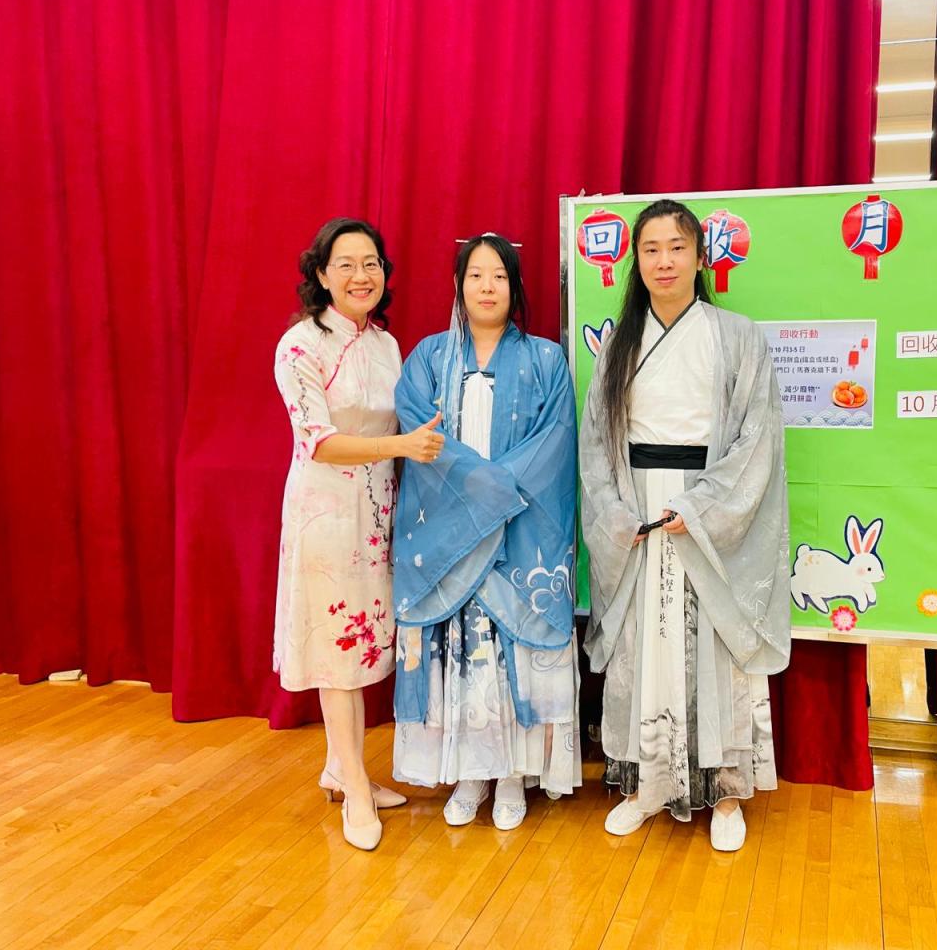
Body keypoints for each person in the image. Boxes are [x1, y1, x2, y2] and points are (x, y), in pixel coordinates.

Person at [579, 199, 790, 852]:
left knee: (717, 650)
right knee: (645, 647)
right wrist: (618, 513)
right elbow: (596, 442)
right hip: (639, 512)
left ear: (701, 257)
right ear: (635, 262)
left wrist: (701, 509)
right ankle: (647, 785)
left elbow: (757, 438)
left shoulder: (738, 336)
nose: (664, 261)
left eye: (677, 247)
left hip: (708, 509)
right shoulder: (620, 345)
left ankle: (726, 793)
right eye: (651, 249)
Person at [392, 232, 580, 830]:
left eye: (499, 275)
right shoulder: (428, 358)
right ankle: (469, 774)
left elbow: (555, 443)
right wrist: (478, 492)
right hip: (448, 531)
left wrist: (491, 495)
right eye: (475, 275)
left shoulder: (546, 360)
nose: (487, 287)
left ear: (515, 286)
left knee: (510, 653)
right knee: (462, 654)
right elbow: (418, 433)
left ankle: (513, 775)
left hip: (519, 531)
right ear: (459, 285)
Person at [273, 217, 444, 851]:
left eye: (370, 263)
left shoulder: (386, 345)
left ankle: (337, 767)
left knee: (365, 647)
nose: (360, 275)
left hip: (377, 513)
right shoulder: (299, 346)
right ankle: (355, 789)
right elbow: (317, 441)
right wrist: (400, 446)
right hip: (324, 513)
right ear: (321, 275)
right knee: (338, 653)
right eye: (345, 264)